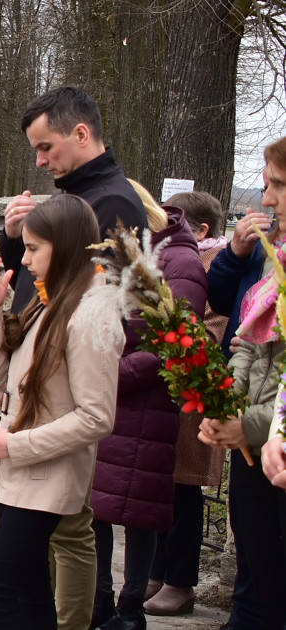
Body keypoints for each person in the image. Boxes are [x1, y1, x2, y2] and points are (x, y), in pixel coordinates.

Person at [1, 85, 149, 630]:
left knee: (68, 525)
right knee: (49, 531)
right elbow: (34, 285)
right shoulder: (77, 197)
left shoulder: (110, 202)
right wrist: (18, 240)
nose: (40, 162)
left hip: (68, 380)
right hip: (41, 369)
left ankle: (75, 622)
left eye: (47, 148)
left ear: (81, 134)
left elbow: (94, 303)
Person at [0, 195, 124, 629]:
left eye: (34, 247)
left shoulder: (91, 310)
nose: (26, 257)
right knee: (28, 584)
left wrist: (15, 444)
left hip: (44, 472)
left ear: (67, 245)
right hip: (21, 471)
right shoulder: (52, 299)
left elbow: (97, 416)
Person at [88, 181, 206, 630]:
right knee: (98, 505)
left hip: (145, 400)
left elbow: (177, 340)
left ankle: (130, 607)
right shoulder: (122, 251)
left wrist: (110, 376)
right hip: (108, 397)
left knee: (138, 511)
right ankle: (100, 603)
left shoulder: (179, 259)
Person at [204, 136, 286, 630]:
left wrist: (249, 426)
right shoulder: (275, 262)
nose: (267, 200)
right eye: (266, 185)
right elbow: (248, 343)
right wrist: (227, 408)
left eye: (278, 185)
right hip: (256, 445)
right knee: (256, 587)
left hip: (272, 444)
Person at [144, 190, 229, 617]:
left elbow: (209, 331)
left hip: (192, 396)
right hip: (170, 391)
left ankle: (180, 583)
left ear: (201, 230)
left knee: (184, 490)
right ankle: (157, 575)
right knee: (165, 490)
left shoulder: (212, 267)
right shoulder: (183, 263)